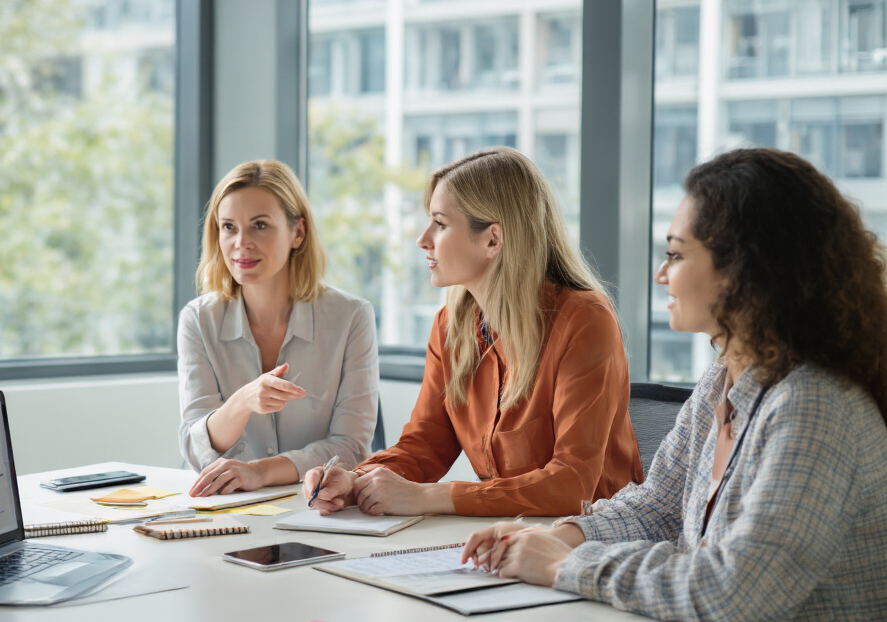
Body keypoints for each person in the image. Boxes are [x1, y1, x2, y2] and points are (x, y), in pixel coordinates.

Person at [465, 147, 887, 622]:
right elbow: (657, 506)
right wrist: (565, 534)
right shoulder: (728, 378)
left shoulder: (813, 407)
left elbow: (741, 589)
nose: (661, 275)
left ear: (745, 270)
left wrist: (564, 569)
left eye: (675, 254)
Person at [306, 146, 641, 517]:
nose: (423, 239)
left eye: (440, 223)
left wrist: (428, 497)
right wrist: (354, 481)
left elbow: (571, 485)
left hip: (596, 542)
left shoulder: (584, 320)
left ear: (493, 240)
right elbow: (424, 447)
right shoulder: (451, 326)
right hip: (506, 538)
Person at [178, 159, 378, 497]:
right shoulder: (198, 319)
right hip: (223, 507)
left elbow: (351, 447)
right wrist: (242, 401)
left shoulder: (351, 317)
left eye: (259, 225)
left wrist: (260, 472)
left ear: (297, 233)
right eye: (228, 227)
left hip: (313, 506)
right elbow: (195, 448)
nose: (241, 242)